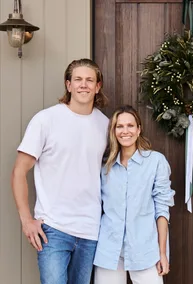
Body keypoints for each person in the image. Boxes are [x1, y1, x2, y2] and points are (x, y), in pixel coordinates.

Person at [11, 58, 109, 284]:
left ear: (97, 86)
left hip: (91, 230)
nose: (83, 85)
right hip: (53, 228)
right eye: (78, 79)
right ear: (68, 85)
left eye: (89, 80)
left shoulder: (105, 125)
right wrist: (27, 220)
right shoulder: (46, 120)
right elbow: (19, 172)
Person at [93, 105, 175, 284]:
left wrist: (162, 253)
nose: (125, 131)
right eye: (119, 126)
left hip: (145, 250)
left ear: (139, 129)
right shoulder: (104, 168)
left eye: (130, 126)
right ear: (113, 131)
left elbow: (162, 211)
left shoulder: (156, 162)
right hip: (109, 251)